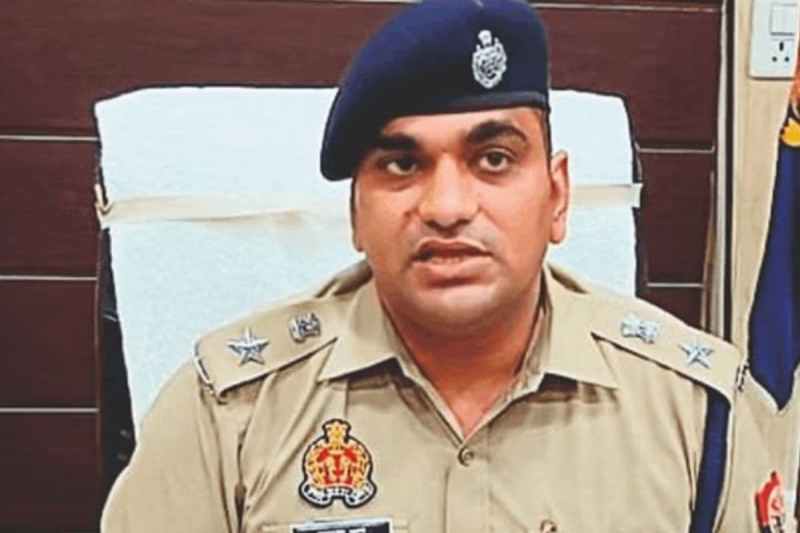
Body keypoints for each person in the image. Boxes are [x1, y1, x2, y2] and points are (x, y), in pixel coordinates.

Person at [101, 0, 783, 531]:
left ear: (557, 196)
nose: (448, 206)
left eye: (494, 159)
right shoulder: (229, 412)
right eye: (403, 165)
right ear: (356, 215)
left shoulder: (694, 412)